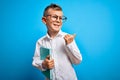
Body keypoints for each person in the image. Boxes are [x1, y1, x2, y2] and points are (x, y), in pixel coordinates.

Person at [32, 3, 82, 80]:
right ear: (44, 20)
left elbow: (77, 61)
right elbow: (35, 61)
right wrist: (43, 64)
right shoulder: (40, 42)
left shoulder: (68, 38)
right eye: (55, 17)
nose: (58, 20)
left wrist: (70, 44)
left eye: (61, 18)